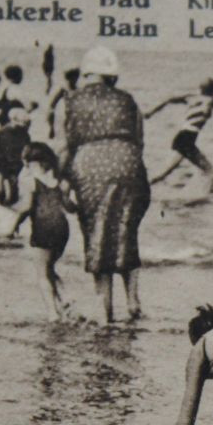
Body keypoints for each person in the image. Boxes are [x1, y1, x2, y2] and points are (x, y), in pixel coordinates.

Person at [61, 46, 150, 323]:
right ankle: (133, 300)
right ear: (112, 77)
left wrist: (63, 182)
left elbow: (65, 145)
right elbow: (139, 139)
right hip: (128, 161)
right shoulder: (128, 100)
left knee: (97, 231)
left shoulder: (71, 101)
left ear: (86, 74)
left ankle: (105, 305)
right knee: (126, 228)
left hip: (90, 163)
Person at [9, 143, 79, 320]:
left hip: (42, 227)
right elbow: (70, 208)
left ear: (28, 161)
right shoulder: (59, 181)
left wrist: (13, 226)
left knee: (41, 272)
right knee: (49, 267)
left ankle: (52, 312)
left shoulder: (29, 180)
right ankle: (65, 298)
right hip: (62, 229)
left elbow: (26, 207)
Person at [147, 77, 213, 197]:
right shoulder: (211, 100)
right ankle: (206, 198)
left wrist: (150, 112)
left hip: (181, 137)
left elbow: (168, 99)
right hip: (187, 139)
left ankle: (139, 188)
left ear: (200, 88)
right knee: (211, 173)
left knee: (165, 173)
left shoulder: (191, 97)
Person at [0, 107, 32, 207]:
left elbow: (27, 148)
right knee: (2, 186)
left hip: (16, 163)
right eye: (22, 124)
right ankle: (2, 203)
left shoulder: (24, 133)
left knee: (13, 185)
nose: (24, 127)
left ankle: (9, 203)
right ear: (13, 120)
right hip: (3, 163)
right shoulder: (1, 132)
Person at [46, 67, 80, 142]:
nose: (74, 80)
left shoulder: (78, 91)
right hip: (64, 114)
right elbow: (52, 105)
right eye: (71, 77)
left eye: (75, 77)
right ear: (68, 78)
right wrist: (51, 126)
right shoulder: (63, 90)